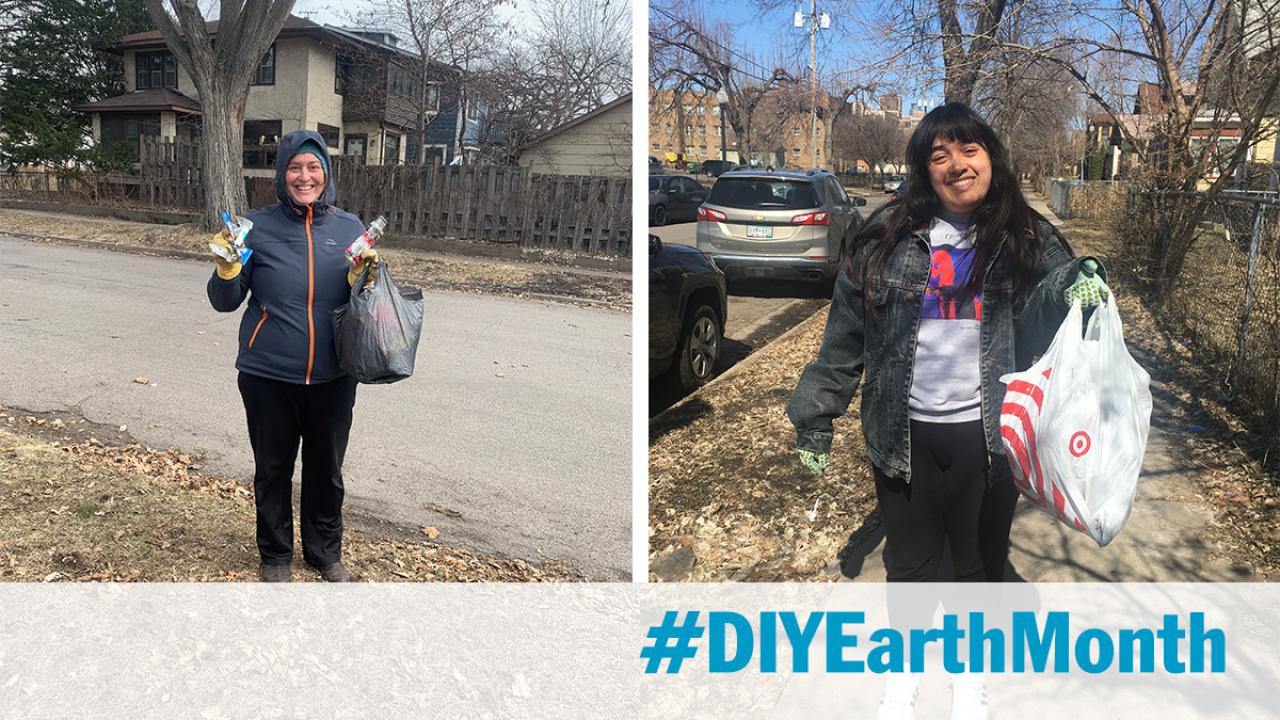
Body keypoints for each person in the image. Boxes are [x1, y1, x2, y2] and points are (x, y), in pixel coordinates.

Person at [786, 102, 1109, 717]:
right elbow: (845, 336)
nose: (957, 165)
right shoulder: (883, 237)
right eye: (940, 155)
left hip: (987, 440)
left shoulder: (1024, 235)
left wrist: (1080, 285)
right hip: (900, 432)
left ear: (990, 157)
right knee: (908, 564)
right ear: (922, 168)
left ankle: (966, 679)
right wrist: (816, 413)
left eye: (969, 150)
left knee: (977, 563)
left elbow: (1059, 291)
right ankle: (904, 676)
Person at [207, 129, 381, 583]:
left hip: (333, 375)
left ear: (326, 172)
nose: (304, 177)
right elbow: (224, 301)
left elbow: (363, 303)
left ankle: (324, 553)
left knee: (327, 470)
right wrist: (227, 268)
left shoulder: (349, 228)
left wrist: (367, 280)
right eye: (294, 167)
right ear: (281, 174)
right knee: (273, 468)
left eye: (313, 167)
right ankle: (276, 555)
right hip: (268, 375)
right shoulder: (254, 227)